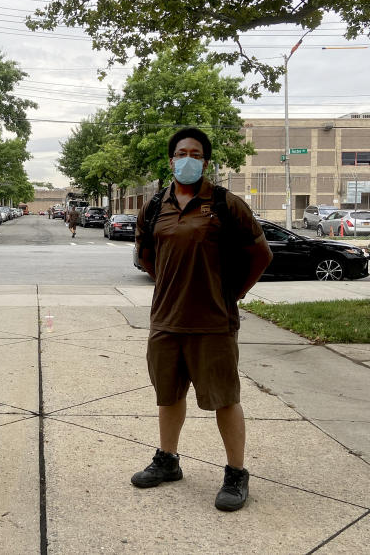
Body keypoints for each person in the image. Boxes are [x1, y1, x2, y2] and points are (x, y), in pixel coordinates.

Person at [132, 127, 273, 512]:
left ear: (205, 162)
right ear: (171, 159)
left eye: (195, 153)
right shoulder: (154, 205)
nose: (187, 159)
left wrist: (234, 293)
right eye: (181, 153)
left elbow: (261, 256)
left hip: (213, 322)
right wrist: (168, 285)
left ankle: (236, 473)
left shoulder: (227, 204)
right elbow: (146, 255)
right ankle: (168, 460)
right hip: (165, 320)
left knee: (224, 399)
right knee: (169, 395)